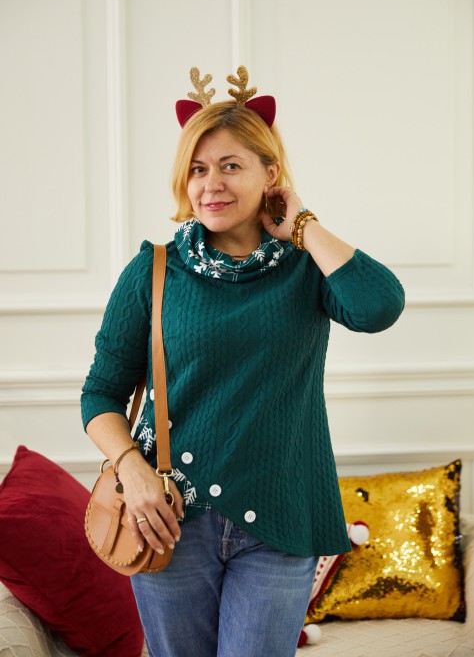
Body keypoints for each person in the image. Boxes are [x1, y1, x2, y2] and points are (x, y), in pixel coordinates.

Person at [81, 66, 405, 657]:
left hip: (281, 518)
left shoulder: (307, 267)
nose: (211, 185)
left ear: (270, 173)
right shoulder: (154, 270)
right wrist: (132, 471)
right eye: (197, 169)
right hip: (170, 516)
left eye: (231, 166)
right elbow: (100, 393)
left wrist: (302, 224)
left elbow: (379, 306)